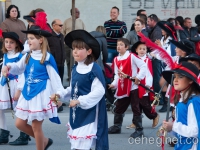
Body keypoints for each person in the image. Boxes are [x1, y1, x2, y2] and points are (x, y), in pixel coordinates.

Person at [1, 12, 62, 150]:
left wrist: (58, 95)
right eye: (28, 38)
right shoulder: (28, 56)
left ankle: (41, 146)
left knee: (36, 125)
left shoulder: (46, 57)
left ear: (40, 40)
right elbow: (18, 68)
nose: (28, 41)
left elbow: (55, 79)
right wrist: (9, 66)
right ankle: (45, 141)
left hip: (41, 93)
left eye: (32, 38)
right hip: (28, 92)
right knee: (19, 124)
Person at [51, 30, 109, 150]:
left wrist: (79, 101)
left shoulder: (94, 69)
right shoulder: (75, 68)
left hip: (90, 115)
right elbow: (73, 88)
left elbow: (99, 91)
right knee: (77, 145)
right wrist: (59, 94)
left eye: (79, 48)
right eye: (73, 48)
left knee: (83, 146)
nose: (75, 51)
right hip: (76, 114)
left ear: (89, 51)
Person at [108, 38, 147, 139]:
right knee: (119, 106)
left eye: (121, 45)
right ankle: (117, 126)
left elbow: (143, 66)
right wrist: (113, 84)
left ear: (127, 47)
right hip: (122, 86)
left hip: (133, 86)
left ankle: (139, 129)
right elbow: (117, 75)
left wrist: (138, 77)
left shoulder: (132, 56)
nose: (118, 46)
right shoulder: (116, 59)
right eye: (118, 44)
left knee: (135, 107)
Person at [162, 62, 200, 150]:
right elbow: (183, 131)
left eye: (180, 77)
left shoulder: (193, 101)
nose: (175, 80)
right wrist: (169, 128)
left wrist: (173, 126)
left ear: (190, 80)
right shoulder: (183, 99)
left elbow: (195, 131)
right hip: (183, 145)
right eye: (174, 76)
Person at [0, 31, 27, 145]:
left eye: (11, 42)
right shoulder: (5, 55)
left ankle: (24, 134)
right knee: (0, 108)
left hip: (16, 84)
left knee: (19, 109)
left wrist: (19, 90)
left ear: (17, 44)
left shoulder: (20, 56)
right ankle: (4, 132)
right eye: (6, 42)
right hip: (5, 84)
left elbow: (22, 74)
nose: (8, 44)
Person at [125, 41, 159, 129]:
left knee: (144, 104)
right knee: (135, 104)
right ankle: (135, 122)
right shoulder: (133, 58)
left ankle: (154, 115)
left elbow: (149, 73)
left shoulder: (147, 60)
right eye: (140, 49)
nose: (142, 50)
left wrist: (148, 85)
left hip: (143, 85)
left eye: (144, 49)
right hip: (135, 84)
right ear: (136, 50)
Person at [62, 8, 86, 81]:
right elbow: (63, 33)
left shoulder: (81, 22)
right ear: (72, 13)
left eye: (79, 12)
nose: (79, 13)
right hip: (68, 45)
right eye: (77, 12)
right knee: (69, 61)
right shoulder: (66, 22)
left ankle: (77, 76)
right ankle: (70, 76)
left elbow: (84, 32)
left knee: (78, 61)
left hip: (78, 46)